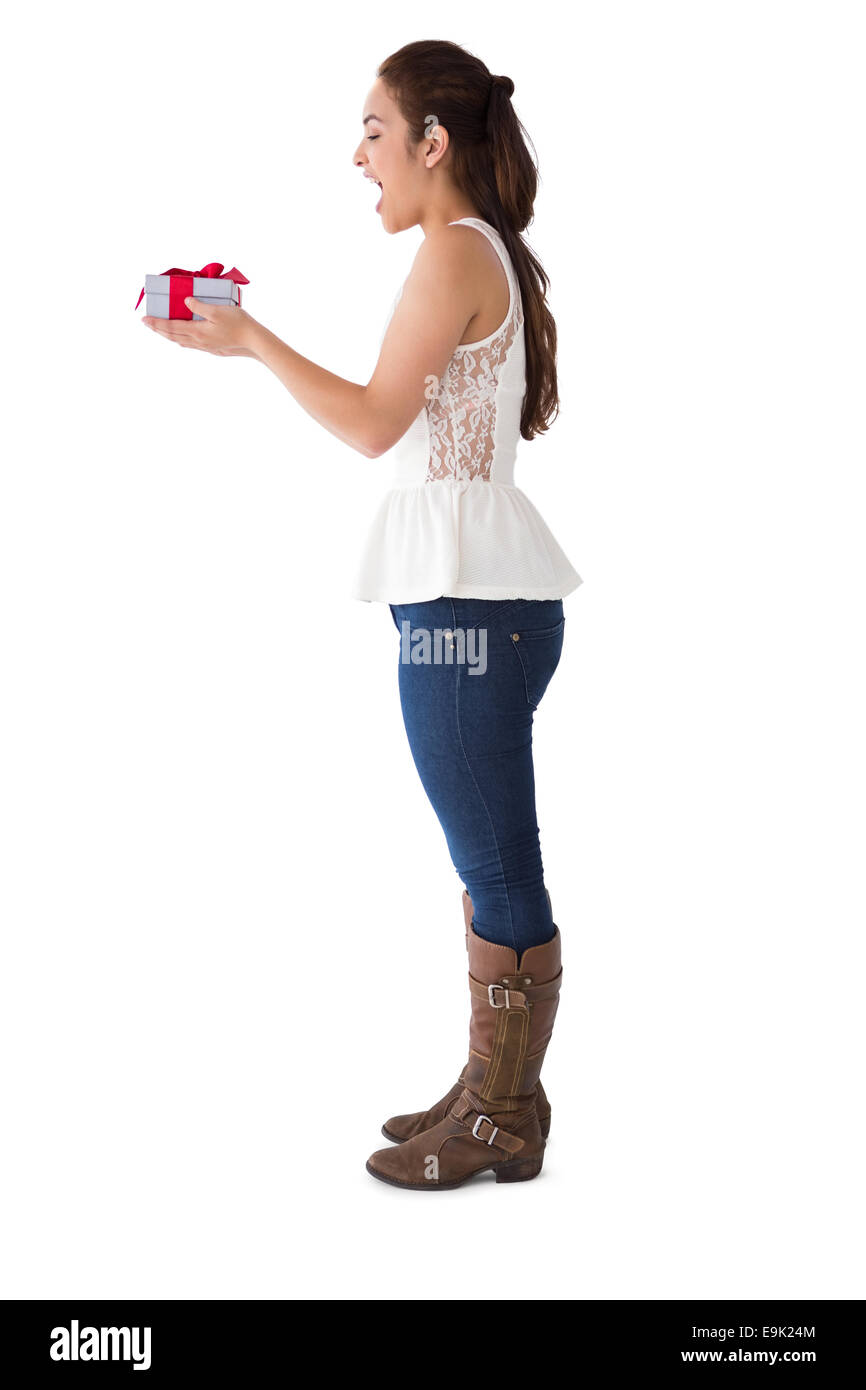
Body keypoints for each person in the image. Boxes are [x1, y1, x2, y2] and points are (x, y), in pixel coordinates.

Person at [141, 38, 582, 1190]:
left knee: (494, 860)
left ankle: (501, 1117)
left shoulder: (449, 252)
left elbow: (376, 422)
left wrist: (248, 341)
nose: (359, 156)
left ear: (433, 143)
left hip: (465, 610)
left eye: (375, 133)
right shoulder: (484, 251)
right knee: (489, 853)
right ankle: (498, 1092)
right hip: (486, 604)